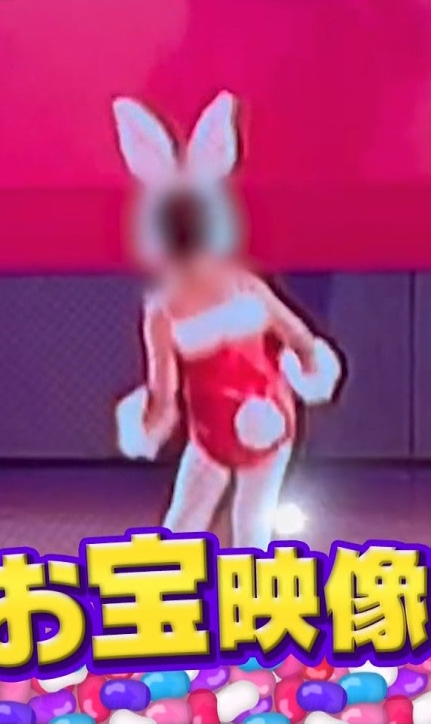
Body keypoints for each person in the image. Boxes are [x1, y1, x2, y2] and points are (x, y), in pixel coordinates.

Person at [112, 91, 342, 550]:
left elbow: (164, 395)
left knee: (188, 521)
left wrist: (143, 426)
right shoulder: (242, 285)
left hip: (227, 426)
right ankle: (253, 590)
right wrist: (309, 370)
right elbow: (298, 337)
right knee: (249, 525)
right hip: (258, 418)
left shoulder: (163, 308)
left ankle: (175, 588)